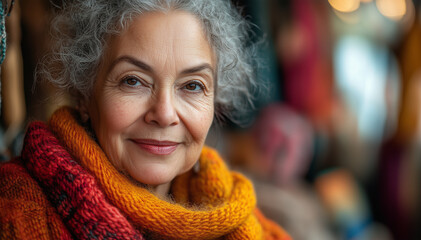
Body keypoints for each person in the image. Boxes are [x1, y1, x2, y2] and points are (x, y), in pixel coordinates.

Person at [0, 0, 291, 239]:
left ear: (215, 101)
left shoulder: (244, 220)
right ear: (85, 94)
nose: (164, 114)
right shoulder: (15, 209)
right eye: (133, 81)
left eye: (192, 86)